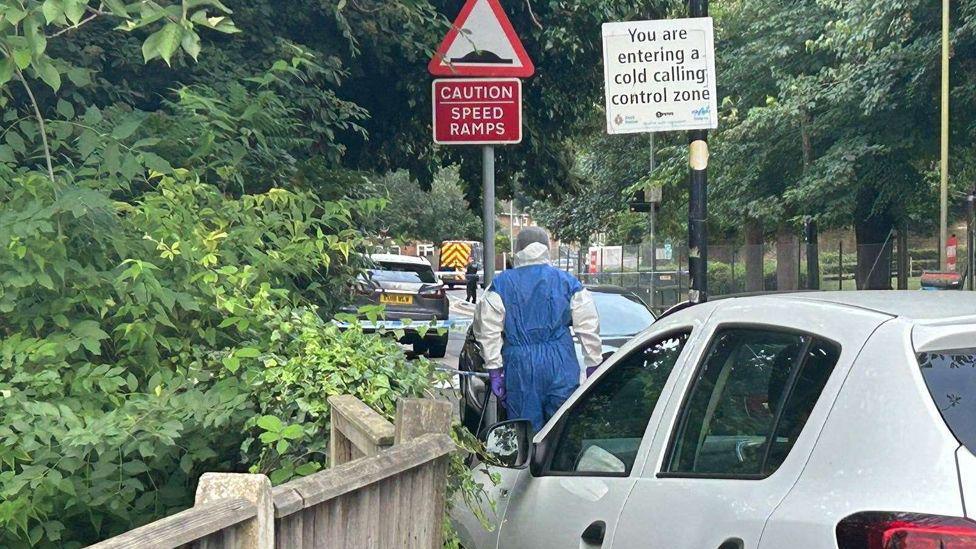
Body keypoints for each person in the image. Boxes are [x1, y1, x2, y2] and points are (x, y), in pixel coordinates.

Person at [473, 227, 602, 431]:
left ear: (517, 250)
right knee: (562, 432)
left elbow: (487, 330)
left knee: (526, 434)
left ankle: (530, 462)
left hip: (520, 365)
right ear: (547, 249)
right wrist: (593, 362)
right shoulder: (568, 283)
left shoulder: (500, 285)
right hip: (560, 361)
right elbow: (588, 324)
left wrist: (494, 368)